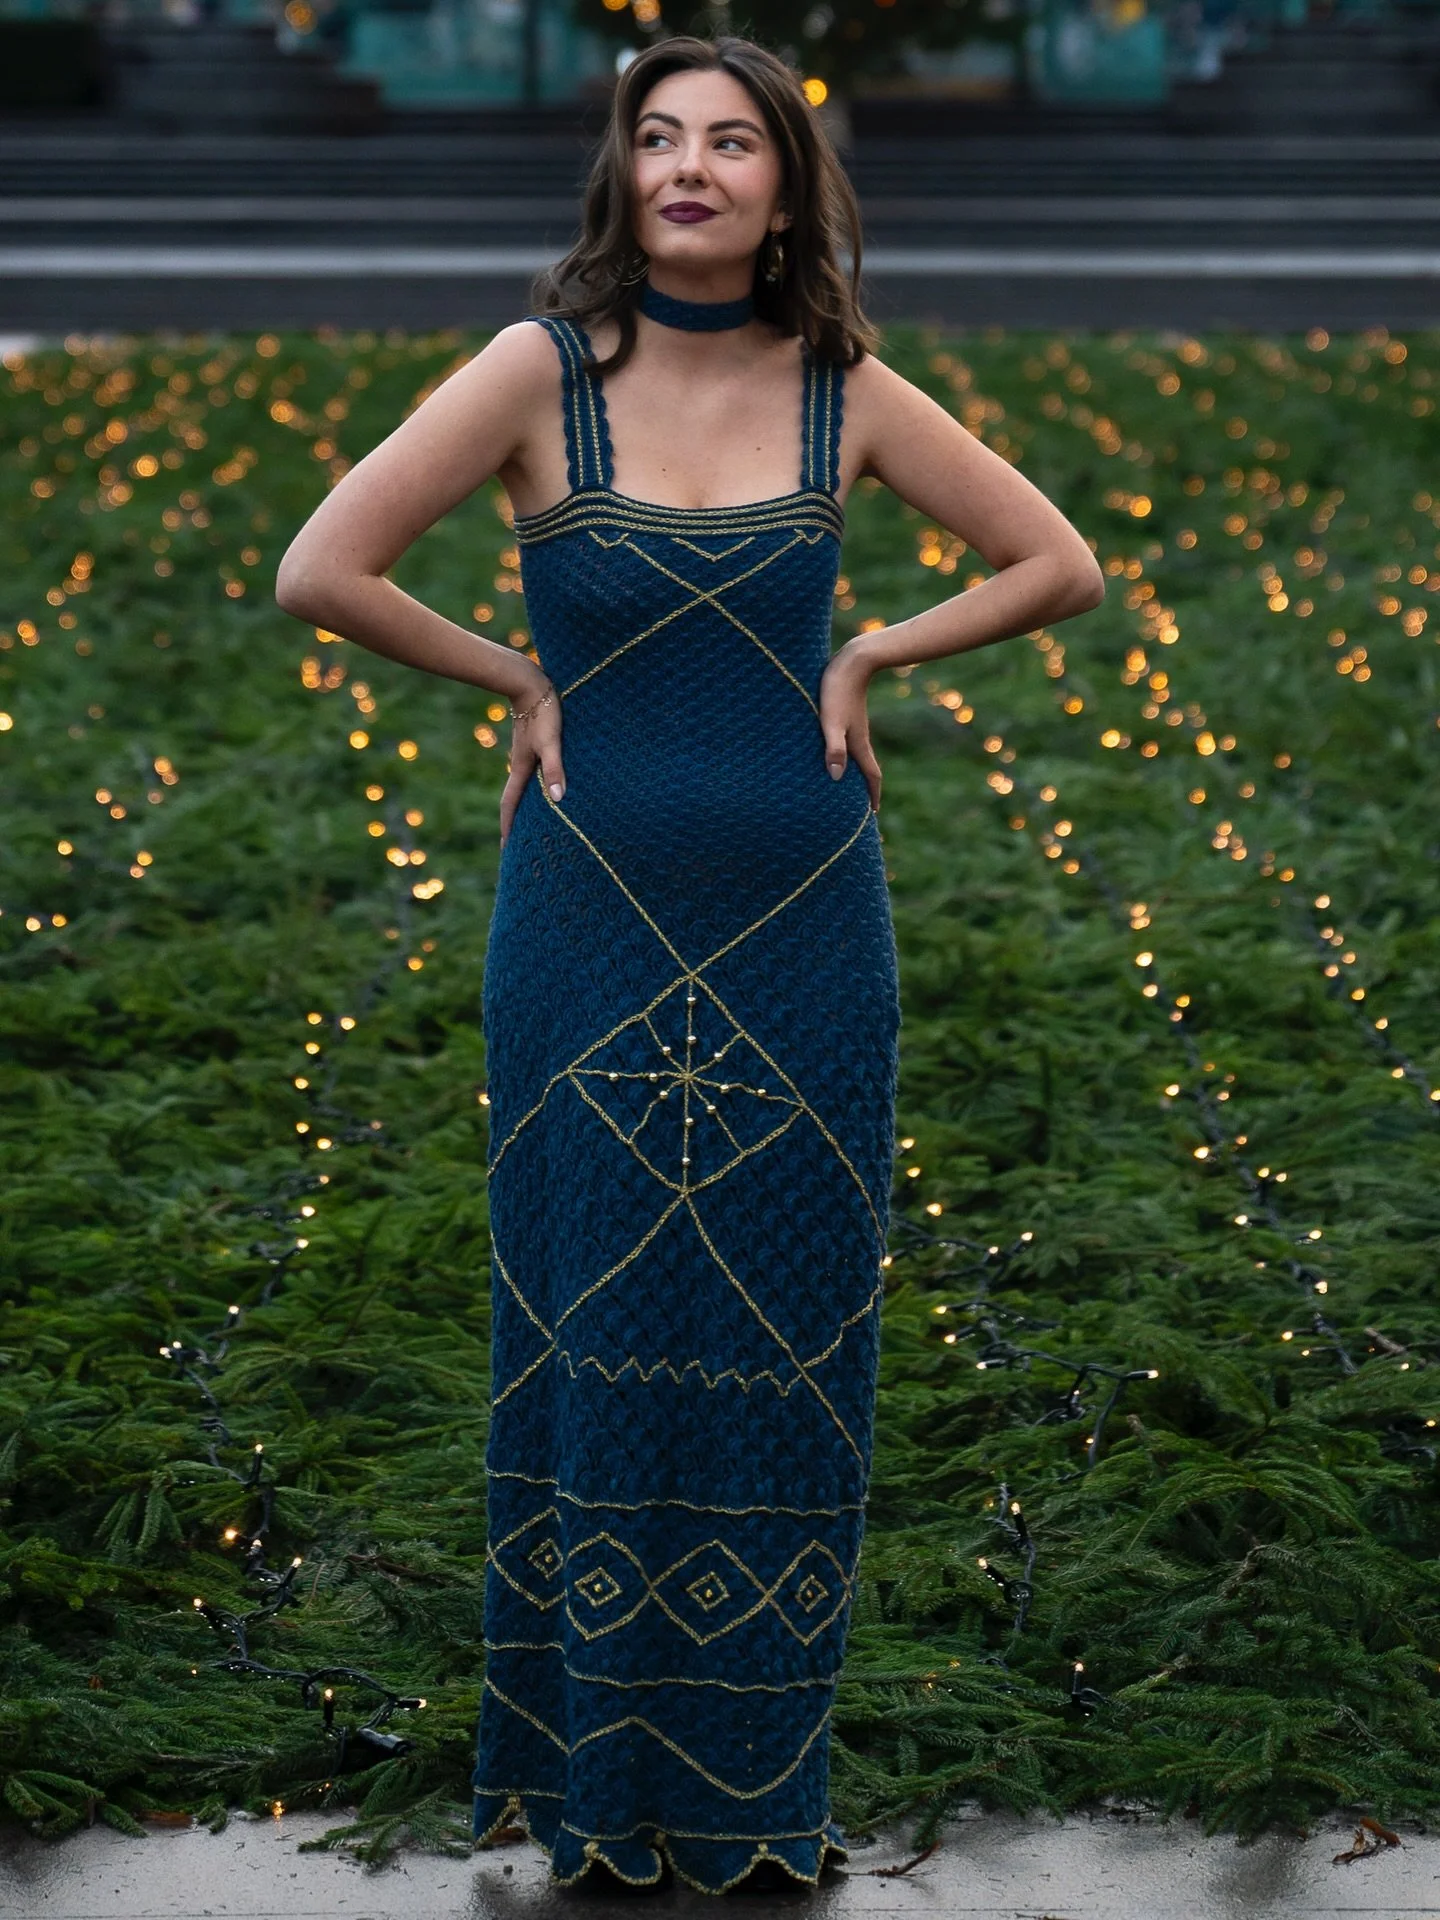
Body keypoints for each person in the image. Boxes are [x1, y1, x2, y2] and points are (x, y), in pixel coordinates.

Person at [274, 31, 1103, 1896]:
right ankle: (593, 1779)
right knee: (592, 1333)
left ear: (789, 186)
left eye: (734, 142)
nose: (692, 168)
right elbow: (323, 567)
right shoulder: (537, 372)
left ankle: (750, 1786)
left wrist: (872, 650)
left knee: (786, 1346)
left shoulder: (844, 387)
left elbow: (1058, 564)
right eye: (659, 137)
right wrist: (517, 675)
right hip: (586, 925)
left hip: (807, 926)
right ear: (622, 172)